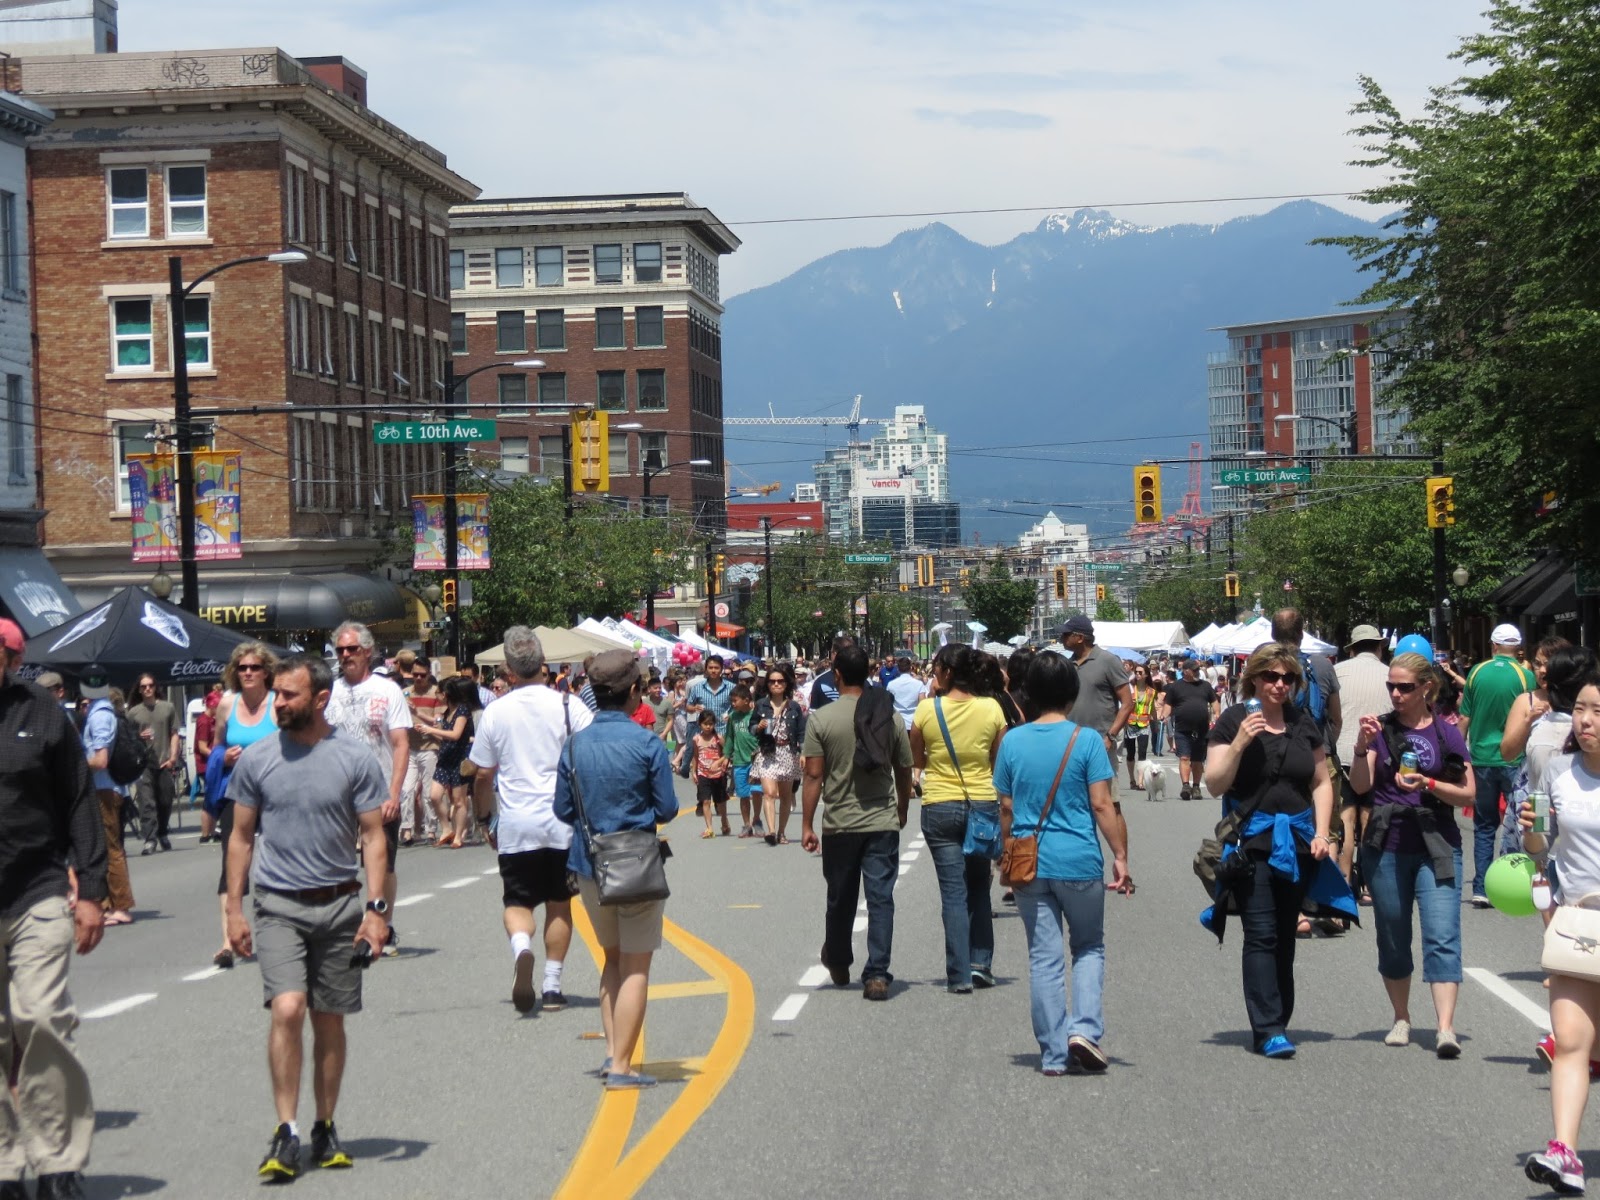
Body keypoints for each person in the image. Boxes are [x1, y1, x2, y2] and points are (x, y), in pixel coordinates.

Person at [223, 654, 390, 1183]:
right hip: (278, 905)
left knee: (329, 1018)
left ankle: (324, 1124)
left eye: (288, 695)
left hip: (340, 906)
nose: (278, 703)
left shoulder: (354, 758)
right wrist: (233, 908)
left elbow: (373, 837)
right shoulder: (258, 759)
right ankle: (286, 1130)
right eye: (276, 694)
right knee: (288, 1007)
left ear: (320, 699)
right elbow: (240, 837)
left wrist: (377, 912)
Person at [0, 618, 106, 1200]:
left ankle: (58, 1162)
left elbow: (79, 800)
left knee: (40, 1018)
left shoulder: (41, 712)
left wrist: (90, 891)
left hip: (36, 889)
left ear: (11, 660)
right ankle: (5, 1165)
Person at [1203, 643, 1338, 1058]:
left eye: (1287, 678)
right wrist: (1240, 743)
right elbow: (1214, 783)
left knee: (1284, 937)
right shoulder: (1233, 721)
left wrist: (1322, 834)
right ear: (1255, 679)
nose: (1280, 685)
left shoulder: (1302, 723)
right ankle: (1268, 1028)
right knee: (1261, 935)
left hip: (1297, 843)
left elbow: (1321, 782)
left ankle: (1279, 1017)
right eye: (1271, 677)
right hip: (1252, 844)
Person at [995, 652, 1128, 1074]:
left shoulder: (1012, 741)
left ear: (1029, 693)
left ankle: (1053, 1054)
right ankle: (1084, 1031)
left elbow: (1005, 806)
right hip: (1079, 858)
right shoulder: (1087, 741)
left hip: (1030, 861)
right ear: (1072, 693)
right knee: (1088, 946)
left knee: (1043, 957)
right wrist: (1120, 855)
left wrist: (1006, 851)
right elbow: (1102, 805)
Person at [551, 650, 676, 1089]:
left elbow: (562, 809)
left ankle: (611, 1053)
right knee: (637, 966)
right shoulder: (647, 743)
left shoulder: (574, 745)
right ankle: (623, 1065)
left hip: (589, 863)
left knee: (611, 959)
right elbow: (668, 807)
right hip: (637, 862)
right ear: (634, 691)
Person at [1348, 651, 1475, 1057]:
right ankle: (1401, 1018)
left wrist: (1429, 784)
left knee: (1442, 935)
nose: (1396, 694)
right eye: (1391, 686)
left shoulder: (1446, 733)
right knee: (1393, 935)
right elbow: (1361, 785)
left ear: (1426, 688)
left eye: (1404, 687)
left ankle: (1445, 1029)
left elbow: (1468, 793)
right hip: (1387, 845)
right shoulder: (1380, 729)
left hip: (1437, 843)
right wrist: (1360, 747)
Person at [470, 626, 592, 1014]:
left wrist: (483, 817)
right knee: (559, 903)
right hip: (562, 822)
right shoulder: (571, 706)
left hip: (517, 822)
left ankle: (522, 947)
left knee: (517, 900)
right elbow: (591, 758)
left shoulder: (495, 712)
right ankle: (552, 986)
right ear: (543, 663)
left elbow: (483, 774)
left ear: (508, 669)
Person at [1518, 666, 1600, 1195]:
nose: (1586, 720)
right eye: (1583, 709)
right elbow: (1539, 846)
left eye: (1598, 712)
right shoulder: (1558, 770)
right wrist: (1531, 832)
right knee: (1570, 1040)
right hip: (1579, 924)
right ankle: (1564, 1152)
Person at [800, 642, 913, 1001]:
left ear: (836, 675)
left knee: (840, 896)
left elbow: (813, 776)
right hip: (881, 821)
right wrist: (902, 807)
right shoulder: (889, 717)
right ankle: (877, 973)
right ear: (870, 673)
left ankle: (838, 957)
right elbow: (904, 767)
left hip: (840, 822)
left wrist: (806, 824)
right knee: (880, 898)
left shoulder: (821, 719)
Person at [911, 644, 1008, 993]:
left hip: (939, 803)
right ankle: (981, 963)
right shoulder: (992, 708)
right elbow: (998, 759)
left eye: (936, 667)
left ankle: (958, 974)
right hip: (982, 802)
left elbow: (917, 757)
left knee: (953, 891)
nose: (933, 673)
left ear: (948, 672)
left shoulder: (927, 709)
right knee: (979, 886)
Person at [323, 621, 410, 953]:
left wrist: (394, 792)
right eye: (341, 650)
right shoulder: (328, 692)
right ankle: (344, 926)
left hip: (378, 791)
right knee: (336, 863)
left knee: (383, 864)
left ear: (368, 651)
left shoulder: (387, 690)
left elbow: (400, 744)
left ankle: (383, 926)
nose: (346, 655)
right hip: (336, 792)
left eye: (352, 649)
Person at [210, 643, 280, 969]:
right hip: (236, 793)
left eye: (254, 667)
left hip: (275, 792)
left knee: (277, 861)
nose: (248, 673)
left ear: (266, 671)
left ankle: (279, 929)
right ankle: (228, 941)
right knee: (232, 862)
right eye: (242, 668)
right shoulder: (227, 704)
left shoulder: (278, 704)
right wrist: (223, 757)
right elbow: (216, 747)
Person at [1460, 623, 1536, 906]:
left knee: (1484, 825)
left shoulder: (1477, 672)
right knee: (1520, 824)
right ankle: (1515, 884)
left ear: (1493, 645)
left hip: (1481, 758)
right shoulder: (1526, 675)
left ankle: (1481, 887)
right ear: (1518, 647)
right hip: (1514, 759)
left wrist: (1457, 756)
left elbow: (1464, 718)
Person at [1055, 616, 1134, 873]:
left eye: (1066, 634)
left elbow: (1127, 703)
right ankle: (1078, 864)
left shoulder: (1107, 661)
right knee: (1073, 805)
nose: (1062, 638)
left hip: (1101, 744)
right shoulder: (1068, 665)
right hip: (1069, 743)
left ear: (1080, 637)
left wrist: (1110, 735)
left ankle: (1122, 865)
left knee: (1111, 804)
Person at [1333, 626, 1393, 897]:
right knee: (1370, 816)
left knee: (1345, 819)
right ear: (1379, 647)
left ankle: (1344, 882)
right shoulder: (1390, 674)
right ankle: (1369, 884)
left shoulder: (1337, 672)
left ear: (1352, 650)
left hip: (1343, 750)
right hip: (1377, 754)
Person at [79, 665, 133, 928]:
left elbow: (100, 760)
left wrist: (76, 763)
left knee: (111, 849)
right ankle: (110, 903)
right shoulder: (101, 711)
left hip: (105, 789)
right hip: (107, 787)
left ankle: (121, 906)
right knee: (107, 847)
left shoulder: (100, 715)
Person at [420, 676, 478, 849]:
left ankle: (458, 835)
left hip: (459, 759)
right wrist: (429, 730)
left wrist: (432, 730)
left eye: (438, 692)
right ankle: (446, 828)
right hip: (445, 758)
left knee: (459, 800)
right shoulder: (447, 712)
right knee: (434, 795)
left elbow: (455, 735)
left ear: (445, 694)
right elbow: (445, 737)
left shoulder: (462, 711)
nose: (436, 695)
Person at [126, 672, 179, 856]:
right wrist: (139, 736)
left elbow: (174, 734)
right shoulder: (133, 712)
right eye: (144, 686)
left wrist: (173, 758)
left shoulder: (167, 707)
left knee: (165, 799)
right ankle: (150, 839)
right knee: (146, 801)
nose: (147, 689)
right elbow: (128, 738)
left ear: (155, 687)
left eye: (150, 685)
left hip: (164, 761)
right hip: (143, 763)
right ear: (139, 690)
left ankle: (162, 832)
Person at [1501, 635, 1573, 767]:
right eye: (1538, 664)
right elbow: (1507, 754)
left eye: (1549, 664)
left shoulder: (1580, 699)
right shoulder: (1525, 701)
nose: (1542, 670)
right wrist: (1528, 720)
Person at [754, 661, 805, 845]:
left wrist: (803, 753)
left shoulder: (794, 707)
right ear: (767, 684)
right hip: (768, 752)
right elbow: (752, 727)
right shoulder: (761, 705)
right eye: (772, 681)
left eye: (780, 681)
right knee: (768, 793)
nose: (776, 684)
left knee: (785, 796)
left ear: (786, 683)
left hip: (787, 753)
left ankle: (781, 832)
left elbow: (801, 732)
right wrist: (758, 727)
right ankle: (771, 831)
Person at [399, 652, 444, 847]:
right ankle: (407, 829)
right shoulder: (405, 693)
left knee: (428, 792)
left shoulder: (436, 694)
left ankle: (431, 829)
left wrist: (418, 714)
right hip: (409, 746)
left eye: (422, 675)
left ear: (428, 675)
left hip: (430, 746)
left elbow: (439, 721)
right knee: (406, 789)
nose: (418, 678)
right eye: (415, 674)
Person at [1161, 658, 1218, 801]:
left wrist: (1217, 714)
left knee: (1198, 760)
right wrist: (1164, 715)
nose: (1197, 672)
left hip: (1202, 729)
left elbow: (1214, 702)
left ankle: (1196, 787)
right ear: (1185, 671)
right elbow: (1168, 704)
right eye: (1194, 670)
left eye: (1198, 669)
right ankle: (1186, 786)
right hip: (1182, 729)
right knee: (1184, 757)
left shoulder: (1205, 686)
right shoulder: (1176, 687)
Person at [725, 684, 762, 837]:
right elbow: (729, 737)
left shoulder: (756, 715)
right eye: (732, 701)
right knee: (743, 794)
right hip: (739, 761)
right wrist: (726, 756)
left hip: (756, 761)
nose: (733, 704)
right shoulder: (733, 717)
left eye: (735, 701)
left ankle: (757, 820)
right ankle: (747, 824)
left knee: (757, 792)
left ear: (746, 700)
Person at [690, 710, 730, 838]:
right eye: (705, 724)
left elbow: (727, 753)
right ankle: (709, 828)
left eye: (711, 724)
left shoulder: (718, 738)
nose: (708, 727)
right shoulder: (696, 739)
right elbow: (696, 756)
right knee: (706, 801)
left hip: (718, 774)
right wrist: (694, 771)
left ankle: (724, 820)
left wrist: (719, 762)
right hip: (703, 773)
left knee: (720, 801)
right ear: (700, 724)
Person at [1123, 663, 1157, 792]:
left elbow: (1152, 708)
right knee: (1130, 753)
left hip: (1144, 724)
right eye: (1136, 672)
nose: (1137, 674)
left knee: (1142, 753)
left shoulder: (1151, 691)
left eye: (1140, 672)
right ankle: (1132, 779)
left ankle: (1140, 781)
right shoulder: (1130, 688)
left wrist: (1155, 723)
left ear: (1146, 675)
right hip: (1130, 723)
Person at [194, 690, 220, 843]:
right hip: (205, 765)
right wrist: (218, 757)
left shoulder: (214, 721)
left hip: (213, 764)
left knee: (214, 798)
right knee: (209, 798)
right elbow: (202, 747)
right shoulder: (204, 721)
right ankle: (205, 834)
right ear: (212, 705)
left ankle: (212, 830)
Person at [686, 654, 733, 735]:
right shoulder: (697, 688)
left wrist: (732, 715)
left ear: (722, 669)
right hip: (704, 734)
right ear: (706, 669)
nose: (713, 671)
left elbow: (738, 707)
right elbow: (688, 707)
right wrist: (694, 708)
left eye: (716, 668)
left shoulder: (731, 687)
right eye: (710, 668)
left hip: (724, 732)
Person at [887, 655, 925, 731]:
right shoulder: (919, 684)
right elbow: (923, 704)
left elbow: (888, 704)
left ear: (898, 669)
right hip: (914, 723)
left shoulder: (891, 685)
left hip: (897, 723)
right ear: (910, 668)